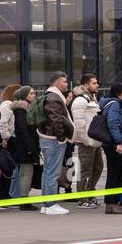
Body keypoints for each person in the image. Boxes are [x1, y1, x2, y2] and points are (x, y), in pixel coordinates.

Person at [37, 72, 75, 215]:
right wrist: (61, 138)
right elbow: (56, 120)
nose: (66, 84)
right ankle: (51, 204)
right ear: (58, 83)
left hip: (48, 138)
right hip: (53, 140)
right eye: (65, 82)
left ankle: (46, 204)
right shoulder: (54, 98)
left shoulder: (50, 96)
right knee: (53, 173)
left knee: (47, 172)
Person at [70, 74, 104, 209]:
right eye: (94, 83)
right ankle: (82, 198)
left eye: (97, 83)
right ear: (85, 85)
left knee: (98, 168)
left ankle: (89, 192)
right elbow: (79, 124)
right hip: (85, 141)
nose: (97, 85)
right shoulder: (80, 100)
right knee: (84, 170)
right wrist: (84, 140)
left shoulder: (92, 98)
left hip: (95, 140)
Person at [8, 86, 41, 210]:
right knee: (27, 173)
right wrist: (31, 147)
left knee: (24, 173)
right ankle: (24, 200)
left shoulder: (24, 109)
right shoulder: (22, 110)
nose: (34, 95)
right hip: (25, 146)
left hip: (24, 145)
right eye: (31, 93)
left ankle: (23, 198)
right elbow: (24, 130)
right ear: (25, 96)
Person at [102, 82, 122, 215]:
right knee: (115, 174)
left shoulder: (118, 104)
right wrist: (118, 142)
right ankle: (111, 203)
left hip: (117, 144)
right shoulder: (114, 105)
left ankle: (113, 202)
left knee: (121, 173)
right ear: (118, 94)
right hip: (114, 145)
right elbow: (112, 123)